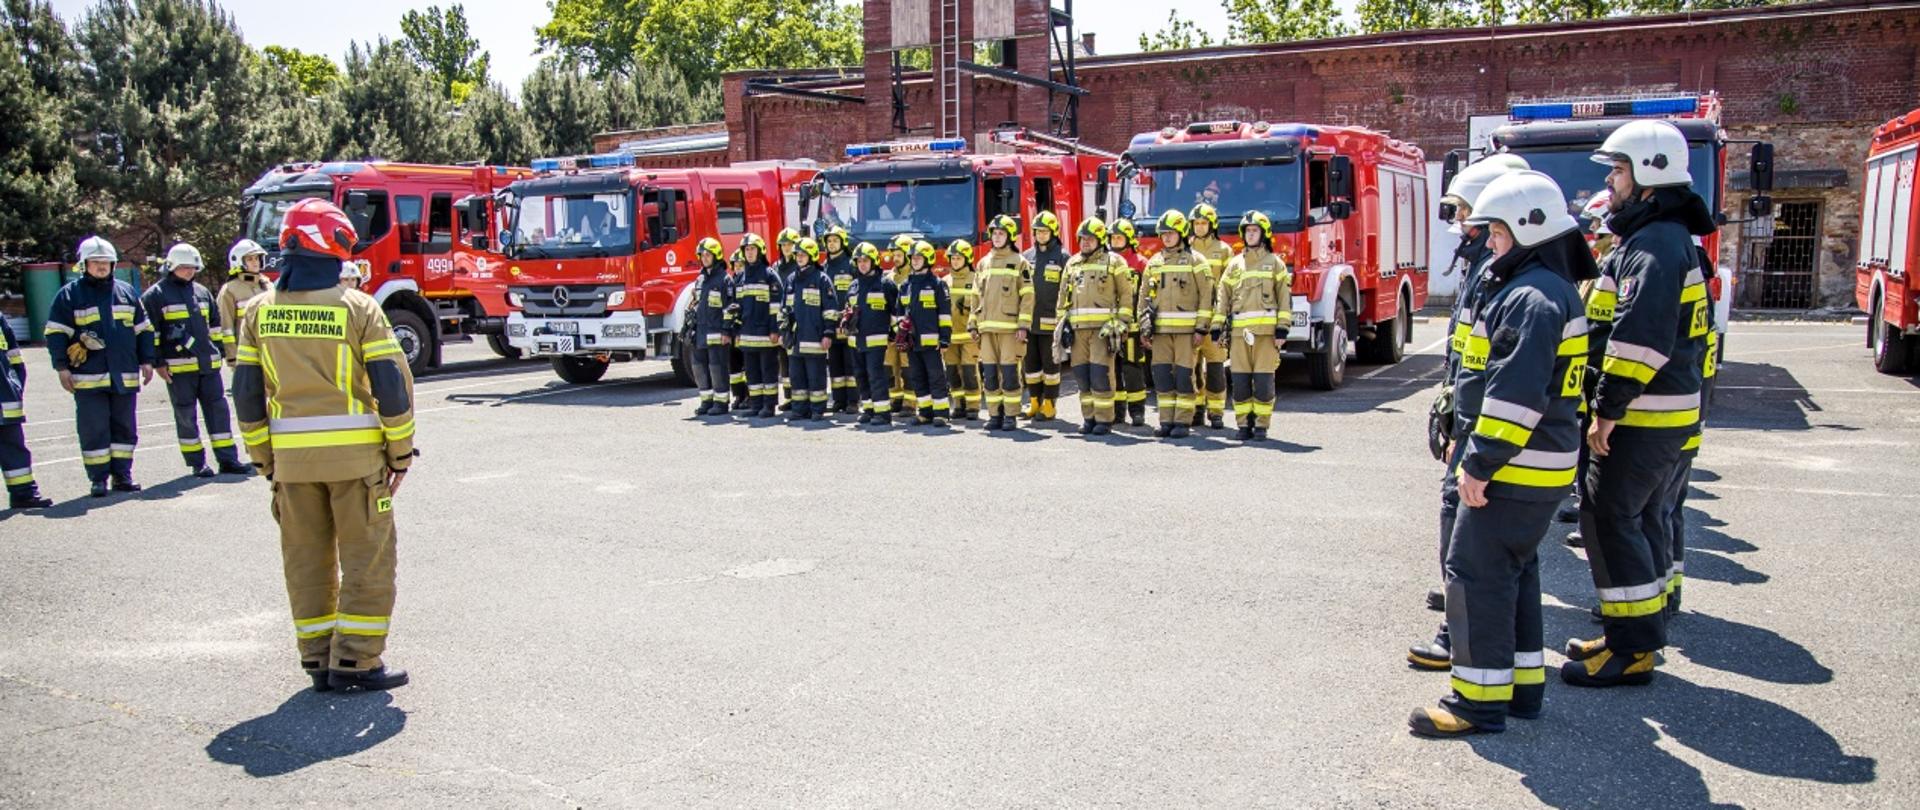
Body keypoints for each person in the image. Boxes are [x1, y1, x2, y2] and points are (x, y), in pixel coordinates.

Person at [1408, 170, 1594, 738]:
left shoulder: (1530, 298)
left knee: (1476, 573)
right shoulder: (1549, 288)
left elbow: (1516, 394)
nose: (1488, 242)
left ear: (1526, 228)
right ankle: (1519, 687)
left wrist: (1480, 463)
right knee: (1516, 568)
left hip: (1517, 463)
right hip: (1542, 461)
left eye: (1496, 232)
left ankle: (1478, 701)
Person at [232, 198, 416, 693]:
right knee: (367, 559)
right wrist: (400, 452)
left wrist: (262, 460)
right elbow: (391, 386)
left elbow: (246, 395)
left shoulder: (256, 312)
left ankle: (317, 659)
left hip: (291, 467)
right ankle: (356, 661)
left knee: (305, 560)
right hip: (357, 465)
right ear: (332, 246)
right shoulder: (358, 309)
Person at [1564, 120, 1712, 689]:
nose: (1611, 180)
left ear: (1648, 176)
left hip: (1642, 414)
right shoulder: (1665, 238)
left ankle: (1633, 651)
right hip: (1660, 412)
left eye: (1619, 170)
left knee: (1610, 519)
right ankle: (1631, 633)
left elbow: (1638, 340)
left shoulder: (1653, 245)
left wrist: (1607, 410)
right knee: (1631, 519)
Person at [1410, 154, 1530, 669]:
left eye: (1464, 213)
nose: (1459, 223)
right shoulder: (1489, 266)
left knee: (1463, 532)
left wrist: (1466, 426)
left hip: (1481, 429)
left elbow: (1492, 366)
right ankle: (1462, 620)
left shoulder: (1502, 276)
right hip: (1470, 414)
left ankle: (1456, 636)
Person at [43, 236, 154, 497]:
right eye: (96, 262)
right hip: (88, 378)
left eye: (106, 262)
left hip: (124, 376)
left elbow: (144, 330)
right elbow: (55, 333)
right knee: (94, 429)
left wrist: (148, 361)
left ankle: (123, 475)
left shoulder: (126, 293)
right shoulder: (69, 295)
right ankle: (98, 479)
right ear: (84, 265)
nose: (102, 267)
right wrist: (62, 367)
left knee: (125, 428)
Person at [141, 242, 248, 478]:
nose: (189, 271)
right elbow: (151, 333)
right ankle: (197, 463)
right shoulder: (155, 296)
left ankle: (228, 459)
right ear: (171, 267)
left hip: (208, 366)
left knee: (219, 412)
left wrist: (218, 350)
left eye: (192, 267)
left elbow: (215, 325)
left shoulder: (201, 292)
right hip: (178, 369)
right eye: (184, 267)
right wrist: (158, 362)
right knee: (186, 416)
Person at [1211, 211, 1290, 442]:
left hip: (1265, 335)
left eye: (1255, 230)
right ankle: (1243, 425)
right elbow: (1222, 296)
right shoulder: (1235, 265)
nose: (1250, 234)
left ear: (1263, 234)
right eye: (1247, 231)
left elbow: (1284, 298)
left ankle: (1261, 427)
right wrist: (1217, 326)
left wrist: (1282, 329)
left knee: (1264, 382)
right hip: (1239, 335)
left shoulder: (1275, 264)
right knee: (1241, 381)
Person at [1139, 209, 1213, 439]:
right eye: (1163, 234)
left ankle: (1182, 421)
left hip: (1186, 333)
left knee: (1183, 377)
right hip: (1160, 332)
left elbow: (1206, 296)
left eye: (1171, 233)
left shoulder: (1196, 261)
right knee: (1162, 376)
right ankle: (1165, 421)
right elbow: (1144, 297)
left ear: (1181, 233)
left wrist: (1201, 328)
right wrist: (1144, 327)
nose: (1167, 238)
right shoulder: (1154, 263)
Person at [1057, 217, 1134, 436]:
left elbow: (1126, 296)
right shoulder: (1072, 264)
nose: (1085, 242)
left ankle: (1104, 419)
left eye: (1090, 239)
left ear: (1100, 239)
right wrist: (1062, 325)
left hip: (1103, 331)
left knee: (1101, 374)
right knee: (1082, 375)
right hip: (1078, 330)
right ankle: (1088, 417)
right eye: (1082, 239)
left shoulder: (1115, 262)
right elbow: (1063, 298)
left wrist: (1121, 324)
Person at [972, 215, 1034, 432]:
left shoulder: (1020, 262)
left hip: (1009, 329)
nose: (997, 238)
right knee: (988, 374)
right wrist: (973, 324)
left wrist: (1023, 325)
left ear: (1009, 237)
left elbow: (1027, 295)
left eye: (1001, 234)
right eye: (995, 234)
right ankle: (994, 414)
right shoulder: (983, 263)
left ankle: (1010, 415)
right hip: (987, 329)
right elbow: (975, 296)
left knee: (1009, 374)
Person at [783, 236, 838, 422]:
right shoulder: (790, 279)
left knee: (816, 377)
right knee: (797, 378)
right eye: (797, 254)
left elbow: (830, 310)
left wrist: (828, 333)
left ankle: (817, 409)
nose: (799, 258)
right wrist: (784, 331)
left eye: (803, 255)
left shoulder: (822, 279)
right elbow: (784, 310)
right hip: (795, 339)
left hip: (815, 339)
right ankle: (799, 409)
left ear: (812, 256)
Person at [846, 242, 901, 427]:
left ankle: (883, 413)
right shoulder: (853, 285)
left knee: (876, 376)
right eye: (859, 261)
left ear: (874, 262)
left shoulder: (885, 284)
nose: (862, 264)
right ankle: (868, 409)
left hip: (876, 341)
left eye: (866, 261)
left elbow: (896, 313)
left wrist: (894, 334)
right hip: (856, 340)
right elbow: (848, 310)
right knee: (860, 376)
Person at [1188, 203, 1233, 428]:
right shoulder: (1184, 249)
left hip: (1215, 319)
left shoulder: (1224, 250)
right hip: (1191, 319)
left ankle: (1216, 412)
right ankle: (1197, 409)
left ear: (1212, 225)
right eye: (1196, 223)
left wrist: (1225, 318)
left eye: (1204, 223)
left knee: (1215, 367)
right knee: (1193, 368)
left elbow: (1228, 287)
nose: (1200, 227)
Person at [2, 316, 53, 510]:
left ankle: (24, 494)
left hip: (5, 397)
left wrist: (15, 388)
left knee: (14, 449)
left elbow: (15, 358)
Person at [900, 240, 953, 426]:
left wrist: (945, 338)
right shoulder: (905, 285)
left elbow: (945, 314)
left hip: (932, 341)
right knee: (917, 376)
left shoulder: (937, 284)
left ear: (928, 259)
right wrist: (900, 332)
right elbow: (900, 313)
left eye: (918, 258)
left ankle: (941, 413)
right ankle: (925, 412)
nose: (914, 261)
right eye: (912, 258)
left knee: (936, 376)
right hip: (912, 342)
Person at [1021, 211, 1069, 421]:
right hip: (1029, 321)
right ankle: (1034, 402)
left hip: (1051, 321)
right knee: (1030, 366)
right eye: (1038, 232)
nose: (1041, 235)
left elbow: (1067, 290)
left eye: (1044, 232)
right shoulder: (1026, 257)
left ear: (1053, 232)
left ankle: (1050, 404)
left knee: (1050, 366)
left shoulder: (1063, 257)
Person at [733, 234, 784, 419]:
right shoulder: (740, 278)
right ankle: (755, 404)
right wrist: (736, 331)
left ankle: (769, 406)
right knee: (752, 372)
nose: (749, 253)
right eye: (746, 249)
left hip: (765, 334)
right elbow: (736, 308)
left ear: (760, 251)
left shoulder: (769, 275)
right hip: (747, 334)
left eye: (753, 249)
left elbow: (777, 305)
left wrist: (774, 329)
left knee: (768, 371)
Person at [1107, 218, 1150, 427]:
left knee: (1133, 369)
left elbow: (1148, 296)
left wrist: (1145, 325)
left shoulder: (1141, 263)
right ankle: (1117, 411)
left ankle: (1137, 411)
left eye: (1119, 237)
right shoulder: (1105, 262)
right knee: (1112, 369)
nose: (1115, 241)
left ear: (1129, 239)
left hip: (1132, 328)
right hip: (1110, 327)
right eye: (1113, 237)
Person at [689, 238, 736, 416]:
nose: (705, 258)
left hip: (717, 332)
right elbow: (696, 304)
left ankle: (721, 403)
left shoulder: (725, 280)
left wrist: (726, 330)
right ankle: (706, 401)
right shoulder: (700, 279)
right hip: (700, 331)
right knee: (699, 367)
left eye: (708, 255)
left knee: (717, 368)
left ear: (716, 256)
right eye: (702, 255)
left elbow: (730, 308)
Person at [821, 226, 861, 413]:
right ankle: (838, 400)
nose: (832, 244)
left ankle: (853, 401)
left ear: (843, 242)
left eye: (835, 240)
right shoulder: (824, 267)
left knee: (850, 363)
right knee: (835, 363)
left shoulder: (851, 265)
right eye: (829, 241)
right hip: (831, 323)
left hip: (849, 323)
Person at [942, 239, 982, 420]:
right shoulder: (944, 282)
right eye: (953, 258)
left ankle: (973, 407)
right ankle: (958, 405)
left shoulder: (976, 280)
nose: (955, 261)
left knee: (969, 372)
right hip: (950, 337)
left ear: (967, 259)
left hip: (969, 336)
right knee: (952, 373)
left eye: (959, 258)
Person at [218, 239, 272, 369]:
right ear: (239, 262)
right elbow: (226, 326)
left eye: (257, 258)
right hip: (245, 359)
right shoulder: (229, 290)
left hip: (270, 354)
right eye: (250, 259)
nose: (255, 262)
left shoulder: (269, 285)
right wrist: (232, 357)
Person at [885, 233, 918, 414]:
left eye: (899, 255)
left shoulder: (914, 277)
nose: (895, 259)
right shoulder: (889, 278)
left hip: (908, 331)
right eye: (894, 255)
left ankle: (910, 402)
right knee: (890, 366)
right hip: (890, 331)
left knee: (907, 367)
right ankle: (895, 398)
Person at [775, 228, 804, 412]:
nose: (786, 248)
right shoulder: (776, 267)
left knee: (796, 360)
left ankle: (799, 396)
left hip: (797, 320)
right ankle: (789, 396)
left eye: (790, 245)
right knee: (784, 360)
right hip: (782, 319)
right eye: (783, 245)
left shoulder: (799, 267)